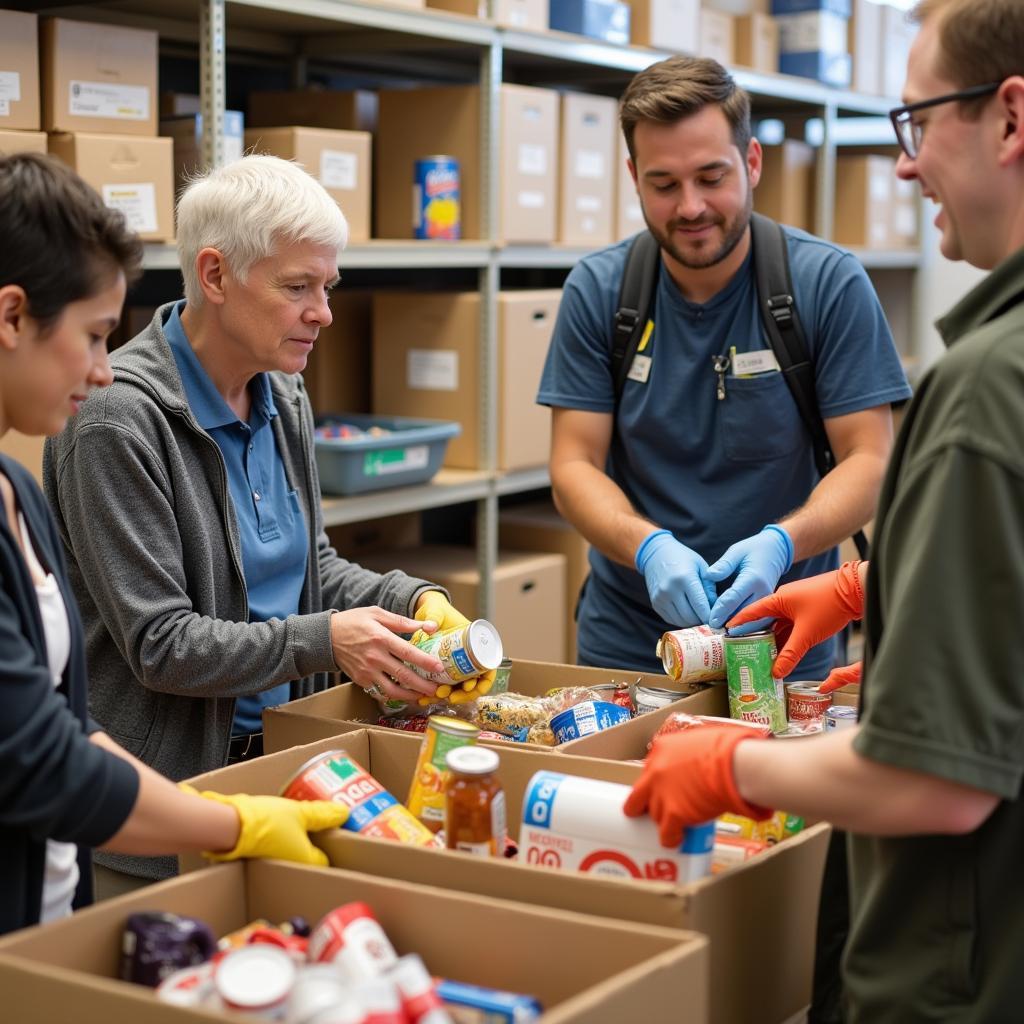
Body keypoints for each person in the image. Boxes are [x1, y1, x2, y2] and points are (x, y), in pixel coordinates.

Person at [626, 1, 1024, 1018]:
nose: (901, 165)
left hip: (964, 958)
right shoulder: (608, 287)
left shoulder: (984, 381)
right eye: (662, 180)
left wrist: (729, 760)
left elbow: (935, 783)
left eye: (915, 122)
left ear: (1009, 119)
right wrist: (866, 587)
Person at [43, 155, 482, 895]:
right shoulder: (116, 421)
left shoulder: (283, 393)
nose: (324, 313)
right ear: (214, 275)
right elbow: (162, 645)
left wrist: (409, 599)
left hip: (287, 764)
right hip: (168, 809)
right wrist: (327, 639)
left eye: (328, 287)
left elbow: (310, 567)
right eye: (297, 287)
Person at [0, 152, 347, 936]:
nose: (99, 370)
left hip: (109, 842)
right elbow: (58, 743)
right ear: (13, 316)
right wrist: (228, 826)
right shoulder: (116, 419)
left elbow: (63, 725)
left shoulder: (14, 491)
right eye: (92, 336)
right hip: (138, 829)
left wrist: (403, 603)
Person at [538, 56, 911, 680]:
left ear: (753, 163)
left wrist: (783, 543)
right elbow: (572, 465)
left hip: (787, 639)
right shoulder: (600, 290)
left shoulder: (826, 283)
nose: (690, 207)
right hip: (632, 642)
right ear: (633, 178)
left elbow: (870, 461)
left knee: (780, 782)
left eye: (712, 176)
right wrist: (646, 546)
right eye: (663, 184)